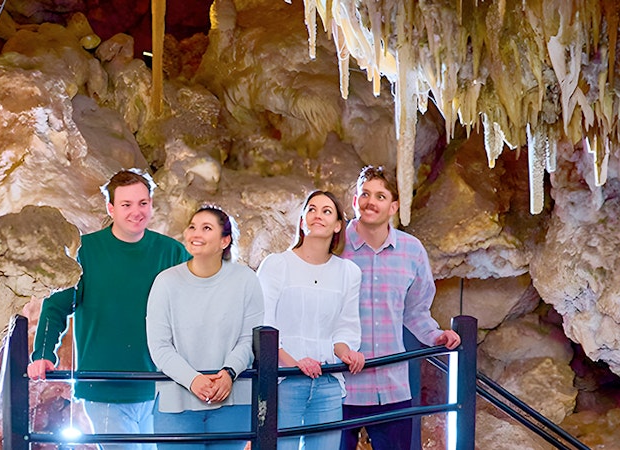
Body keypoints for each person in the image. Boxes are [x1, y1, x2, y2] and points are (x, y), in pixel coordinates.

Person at [28, 169, 191, 450]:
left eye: (142, 203)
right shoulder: (85, 252)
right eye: (126, 204)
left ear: (151, 204)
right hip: (105, 390)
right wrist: (42, 354)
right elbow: (55, 307)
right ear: (111, 208)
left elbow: (197, 306)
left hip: (161, 388)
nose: (136, 212)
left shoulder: (172, 252)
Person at [340, 166, 461, 450]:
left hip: (392, 387)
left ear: (394, 206)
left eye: (380, 196)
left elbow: (416, 311)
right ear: (355, 201)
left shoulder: (412, 250)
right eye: (365, 194)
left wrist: (436, 336)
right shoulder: (335, 246)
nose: (371, 202)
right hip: (340, 387)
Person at [145, 206, 264, 450]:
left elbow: (249, 340)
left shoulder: (246, 280)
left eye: (206, 228)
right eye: (192, 227)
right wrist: (193, 380)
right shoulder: (165, 282)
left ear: (225, 240)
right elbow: (159, 346)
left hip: (233, 403)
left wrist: (229, 373)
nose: (196, 233)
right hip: (176, 406)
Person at [256, 191, 364, 450]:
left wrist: (347, 353)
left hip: (328, 382)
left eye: (327, 211)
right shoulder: (276, 265)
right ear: (302, 220)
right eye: (312, 209)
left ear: (337, 225)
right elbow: (262, 326)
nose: (318, 215)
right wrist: (295, 364)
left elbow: (345, 327)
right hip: (284, 380)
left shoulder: (349, 272)